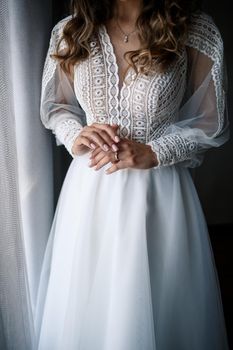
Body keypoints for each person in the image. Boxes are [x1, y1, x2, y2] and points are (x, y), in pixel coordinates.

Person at [33, 0, 230, 349]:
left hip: (159, 192)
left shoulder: (193, 27)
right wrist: (74, 134)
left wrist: (155, 151)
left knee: (161, 308)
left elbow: (211, 121)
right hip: (90, 193)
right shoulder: (72, 29)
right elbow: (57, 106)